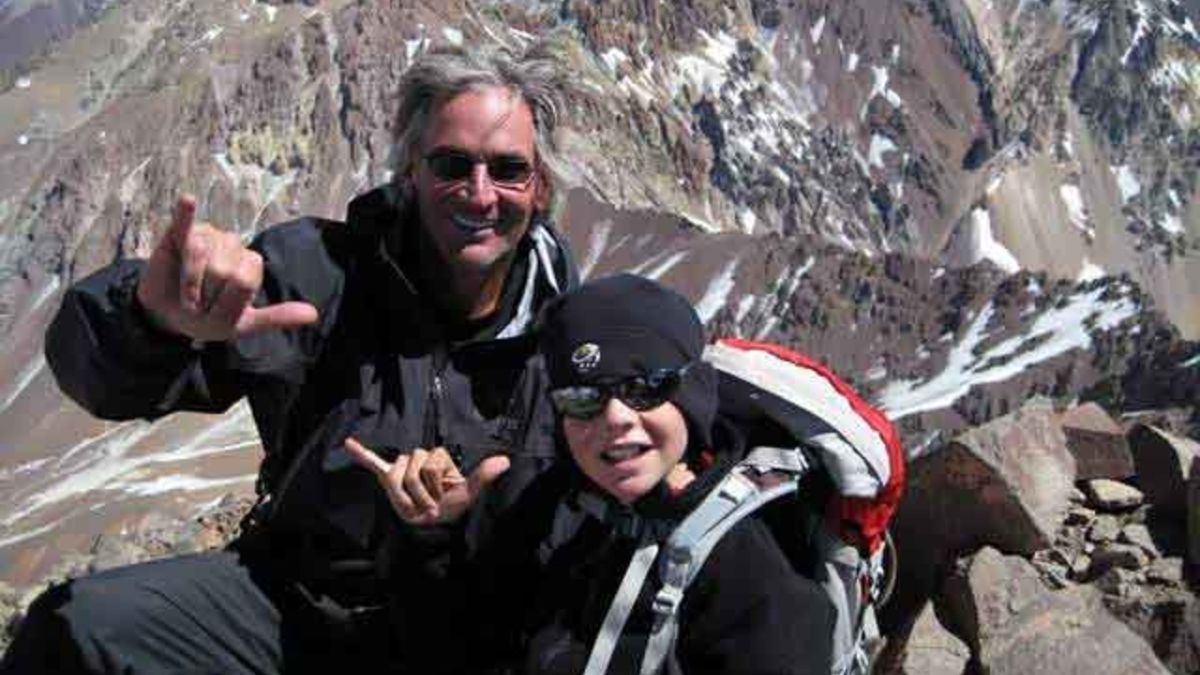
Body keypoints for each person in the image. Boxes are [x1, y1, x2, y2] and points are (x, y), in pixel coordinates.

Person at [2, 42, 578, 674]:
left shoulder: (571, 327)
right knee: (80, 630)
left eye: (507, 169)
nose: (479, 191)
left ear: (540, 184)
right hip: (300, 605)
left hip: (474, 629)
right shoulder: (317, 275)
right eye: (451, 164)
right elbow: (107, 383)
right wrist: (150, 321)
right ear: (410, 170)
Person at [350, 275, 837, 674]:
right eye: (583, 398)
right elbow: (451, 650)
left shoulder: (757, 580)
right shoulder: (542, 508)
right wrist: (433, 535)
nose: (615, 418)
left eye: (644, 388)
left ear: (692, 395)